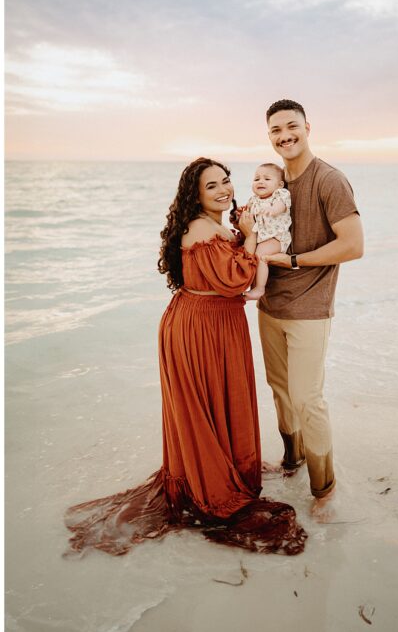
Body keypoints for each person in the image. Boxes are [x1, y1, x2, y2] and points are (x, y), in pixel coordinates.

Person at [65, 157, 306, 557]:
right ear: (195, 194)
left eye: (226, 181)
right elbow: (237, 278)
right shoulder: (200, 227)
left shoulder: (216, 224)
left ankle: (222, 469)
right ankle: (210, 481)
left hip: (215, 323)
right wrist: (247, 236)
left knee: (219, 403)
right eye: (212, 186)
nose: (224, 190)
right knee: (206, 405)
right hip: (200, 328)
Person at [256, 99, 363, 522]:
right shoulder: (272, 181)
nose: (285, 135)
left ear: (307, 127)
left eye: (291, 126)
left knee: (307, 398)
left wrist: (297, 261)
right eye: (276, 130)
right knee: (280, 392)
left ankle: (325, 488)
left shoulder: (329, 180)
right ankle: (291, 461)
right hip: (269, 306)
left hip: (310, 309)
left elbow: (353, 245)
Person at [242, 162, 292, 302]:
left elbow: (281, 206)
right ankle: (252, 285)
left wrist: (273, 210)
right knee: (251, 257)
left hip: (277, 237)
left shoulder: (280, 194)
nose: (261, 181)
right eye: (257, 179)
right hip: (262, 238)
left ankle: (260, 289)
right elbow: (248, 213)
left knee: (261, 255)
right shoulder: (254, 200)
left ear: (280, 184)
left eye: (267, 179)